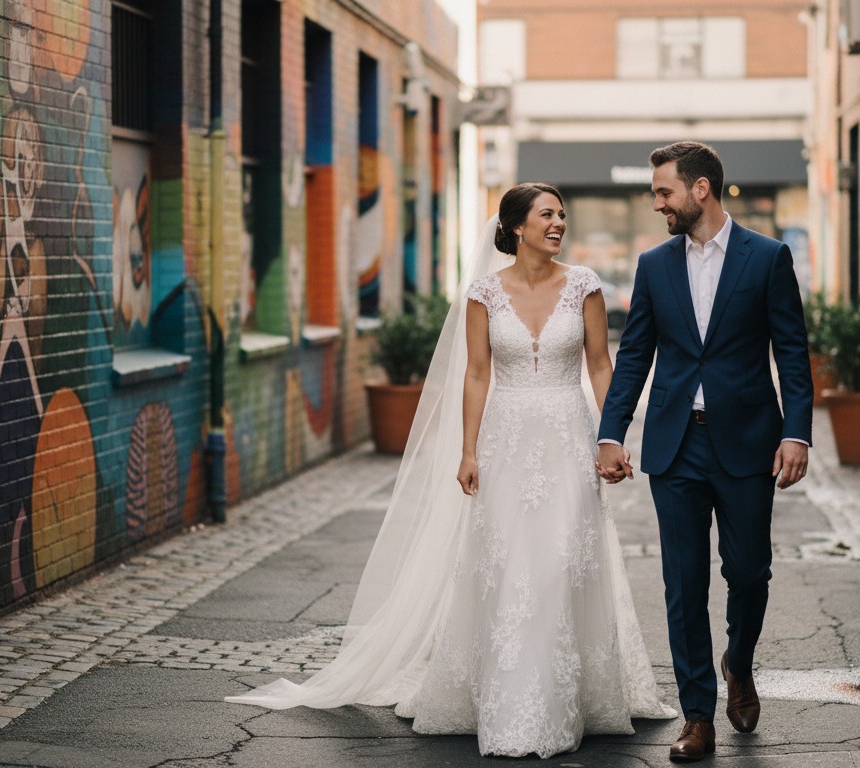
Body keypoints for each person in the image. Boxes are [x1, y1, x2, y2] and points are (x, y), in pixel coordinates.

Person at [225, 183, 676, 758]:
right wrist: (468, 450)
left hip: (568, 436)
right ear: (516, 227)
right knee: (508, 561)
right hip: (505, 440)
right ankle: (510, 700)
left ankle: (570, 695)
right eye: (547, 215)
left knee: (566, 559)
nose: (559, 222)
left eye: (562, 214)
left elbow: (599, 364)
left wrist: (612, 435)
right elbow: (477, 375)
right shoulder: (484, 293)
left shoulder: (584, 285)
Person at [595, 142, 814, 762]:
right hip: (674, 443)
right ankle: (697, 714)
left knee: (748, 572)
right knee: (683, 582)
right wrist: (612, 431)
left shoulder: (768, 258)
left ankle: (738, 662)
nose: (656, 202)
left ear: (701, 190)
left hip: (748, 442)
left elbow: (792, 353)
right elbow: (635, 353)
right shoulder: (654, 264)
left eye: (664, 191)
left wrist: (796, 432)